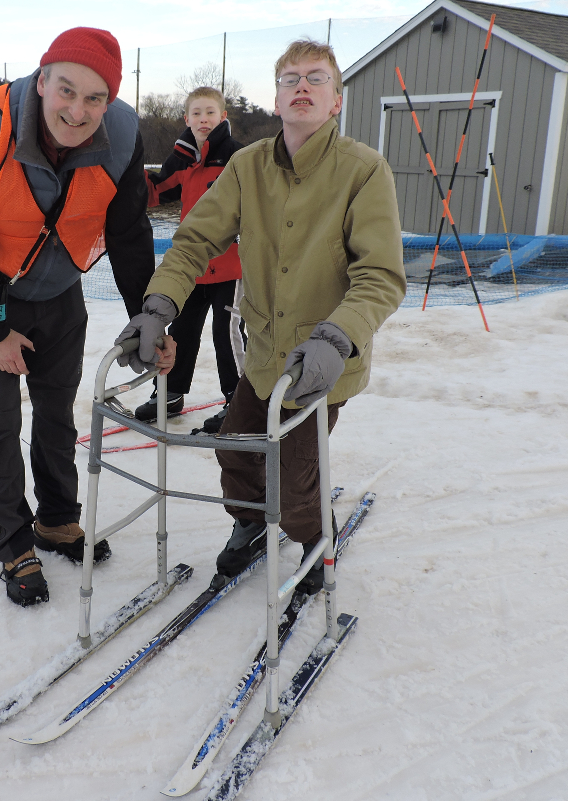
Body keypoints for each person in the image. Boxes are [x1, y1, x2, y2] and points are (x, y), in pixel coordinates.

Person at [116, 40, 405, 593]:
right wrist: (158, 307)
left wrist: (337, 336)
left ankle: (314, 540)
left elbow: (381, 276)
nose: (302, 86)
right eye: (291, 78)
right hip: (266, 353)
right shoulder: (249, 166)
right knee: (237, 449)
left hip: (322, 361)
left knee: (295, 480)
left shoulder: (364, 171)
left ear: (336, 101)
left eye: (316, 78)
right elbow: (194, 241)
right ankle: (250, 522)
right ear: (275, 99)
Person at [0, 27, 174, 607]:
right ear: (41, 81)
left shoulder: (120, 136)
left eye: (95, 98)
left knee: (57, 413)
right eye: (66, 90)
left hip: (61, 294)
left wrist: (149, 320)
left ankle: (57, 519)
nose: (78, 110)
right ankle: (15, 542)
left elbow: (128, 231)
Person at [134, 87, 245, 433]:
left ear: (223, 117)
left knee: (227, 334)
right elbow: (156, 191)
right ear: (186, 119)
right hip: (193, 267)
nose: (203, 119)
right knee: (180, 331)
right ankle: (169, 394)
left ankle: (239, 404)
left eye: (210, 113)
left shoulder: (237, 157)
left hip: (232, 266)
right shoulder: (182, 158)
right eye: (196, 113)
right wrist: (127, 171)